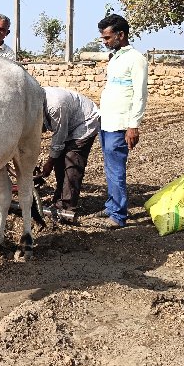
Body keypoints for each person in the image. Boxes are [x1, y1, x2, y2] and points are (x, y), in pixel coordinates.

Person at [95, 13, 149, 229]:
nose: (105, 42)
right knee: (109, 168)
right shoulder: (116, 57)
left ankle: (118, 215)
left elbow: (140, 94)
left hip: (120, 125)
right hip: (106, 122)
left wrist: (133, 125)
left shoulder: (136, 59)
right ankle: (111, 206)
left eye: (107, 38)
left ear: (121, 35)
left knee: (116, 170)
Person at [40, 87, 100, 218]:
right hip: (70, 123)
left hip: (85, 122)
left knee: (72, 160)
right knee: (59, 161)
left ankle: (67, 206)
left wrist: (49, 163)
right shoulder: (36, 101)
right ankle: (59, 198)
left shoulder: (55, 105)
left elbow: (59, 138)